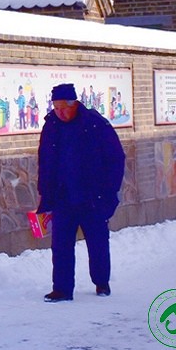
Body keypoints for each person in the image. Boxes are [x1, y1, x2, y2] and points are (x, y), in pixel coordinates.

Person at [37, 83, 126, 302]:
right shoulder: (51, 126)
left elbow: (116, 158)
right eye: (55, 108)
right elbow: (45, 162)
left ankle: (101, 282)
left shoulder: (95, 124)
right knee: (61, 245)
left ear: (74, 103)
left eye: (63, 108)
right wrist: (45, 194)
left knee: (97, 242)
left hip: (92, 197)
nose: (59, 112)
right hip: (63, 197)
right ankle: (62, 289)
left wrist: (108, 193)